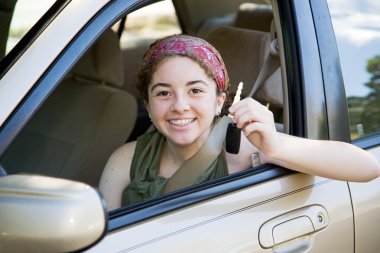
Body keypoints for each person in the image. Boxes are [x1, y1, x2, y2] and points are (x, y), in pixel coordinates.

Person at [99, 34, 380, 211]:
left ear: (219, 101)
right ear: (147, 105)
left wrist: (277, 147)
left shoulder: (246, 151)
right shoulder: (126, 160)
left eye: (196, 90)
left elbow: (367, 167)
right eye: (163, 93)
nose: (180, 106)